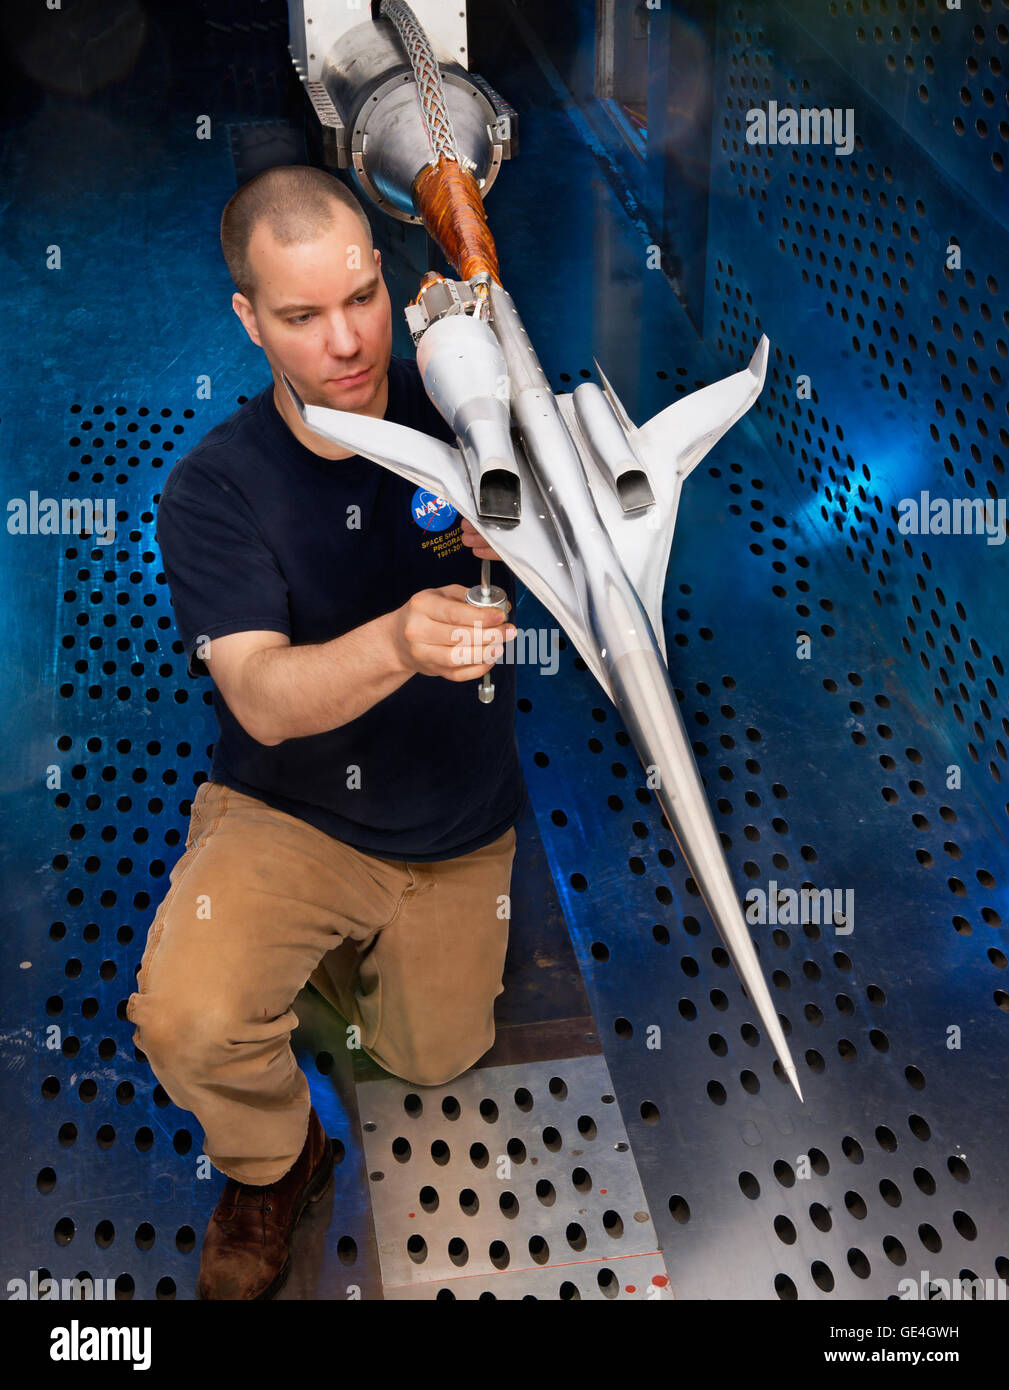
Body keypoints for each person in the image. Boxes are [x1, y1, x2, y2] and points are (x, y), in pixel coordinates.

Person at [128, 164, 527, 1300]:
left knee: (428, 1057)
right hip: (294, 810)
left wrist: (531, 504)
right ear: (248, 318)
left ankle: (326, 978)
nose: (346, 342)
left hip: (455, 816)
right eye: (300, 317)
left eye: (360, 299)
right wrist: (401, 641)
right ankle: (276, 1159)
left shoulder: (465, 411)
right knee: (193, 1018)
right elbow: (258, 694)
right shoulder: (214, 489)